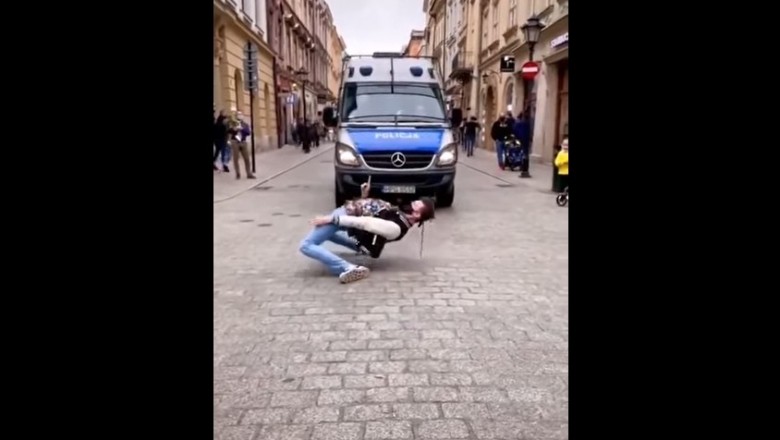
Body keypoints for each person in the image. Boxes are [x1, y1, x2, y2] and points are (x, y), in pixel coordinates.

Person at [300, 184, 436, 283]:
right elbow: (374, 212)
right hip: (350, 222)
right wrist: (364, 196)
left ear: (417, 214)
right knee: (324, 235)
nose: (413, 202)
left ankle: (349, 267)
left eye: (417, 204)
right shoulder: (400, 216)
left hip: (345, 217)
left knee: (306, 245)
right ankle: (341, 264)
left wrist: (333, 219)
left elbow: (366, 223)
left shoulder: (396, 228)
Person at [228, 112, 256, 179]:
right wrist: (234, 129)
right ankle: (238, 173)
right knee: (236, 158)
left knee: (247, 158)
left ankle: (249, 173)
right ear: (236, 116)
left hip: (243, 142)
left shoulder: (245, 124)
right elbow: (228, 131)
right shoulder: (233, 123)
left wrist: (242, 129)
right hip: (235, 141)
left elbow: (248, 132)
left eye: (241, 114)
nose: (240, 116)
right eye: (238, 115)